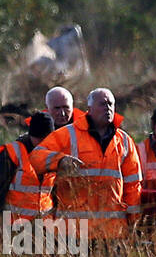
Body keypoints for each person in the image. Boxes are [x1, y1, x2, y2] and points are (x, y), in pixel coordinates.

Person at [28, 86, 142, 239]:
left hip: (112, 233)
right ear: (89, 108)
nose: (107, 108)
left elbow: (133, 185)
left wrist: (134, 222)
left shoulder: (124, 141)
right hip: (73, 232)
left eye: (111, 104)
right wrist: (60, 161)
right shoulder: (67, 134)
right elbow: (36, 157)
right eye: (102, 104)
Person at [0, 111, 56, 222]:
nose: (43, 143)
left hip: (45, 226)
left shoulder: (57, 154)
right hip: (15, 226)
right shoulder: (11, 153)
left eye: (47, 139)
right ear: (31, 135)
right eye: (39, 138)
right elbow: (0, 189)